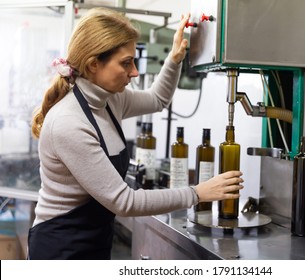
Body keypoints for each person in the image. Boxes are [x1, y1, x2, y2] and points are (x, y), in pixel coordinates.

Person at [28, 7, 244, 260]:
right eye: (126, 63)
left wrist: (175, 58)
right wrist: (197, 193)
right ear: (93, 64)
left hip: (94, 240)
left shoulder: (110, 101)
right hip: (59, 248)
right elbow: (124, 201)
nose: (134, 72)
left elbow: (157, 99)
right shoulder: (69, 122)